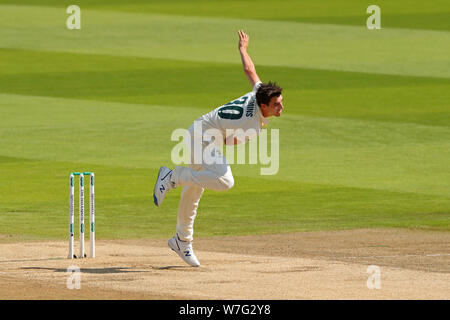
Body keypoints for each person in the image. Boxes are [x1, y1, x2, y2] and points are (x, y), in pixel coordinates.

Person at [153, 30, 284, 267]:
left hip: (200, 131)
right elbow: (230, 142)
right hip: (203, 137)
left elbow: (250, 71)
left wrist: (243, 49)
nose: (280, 107)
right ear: (264, 105)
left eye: (281, 102)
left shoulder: (258, 92)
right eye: (276, 105)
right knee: (225, 181)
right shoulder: (253, 126)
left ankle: (182, 240)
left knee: (194, 190)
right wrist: (223, 136)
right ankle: (172, 176)